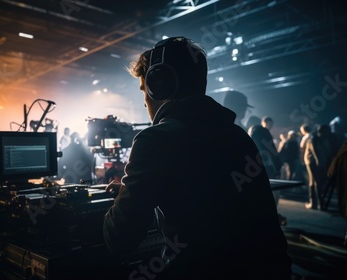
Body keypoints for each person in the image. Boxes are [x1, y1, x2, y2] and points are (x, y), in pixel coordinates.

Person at [103, 36, 291, 279]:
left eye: (144, 89)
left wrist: (124, 198)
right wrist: (140, 189)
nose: (144, 101)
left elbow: (120, 239)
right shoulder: (238, 135)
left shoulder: (154, 140)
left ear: (159, 85)